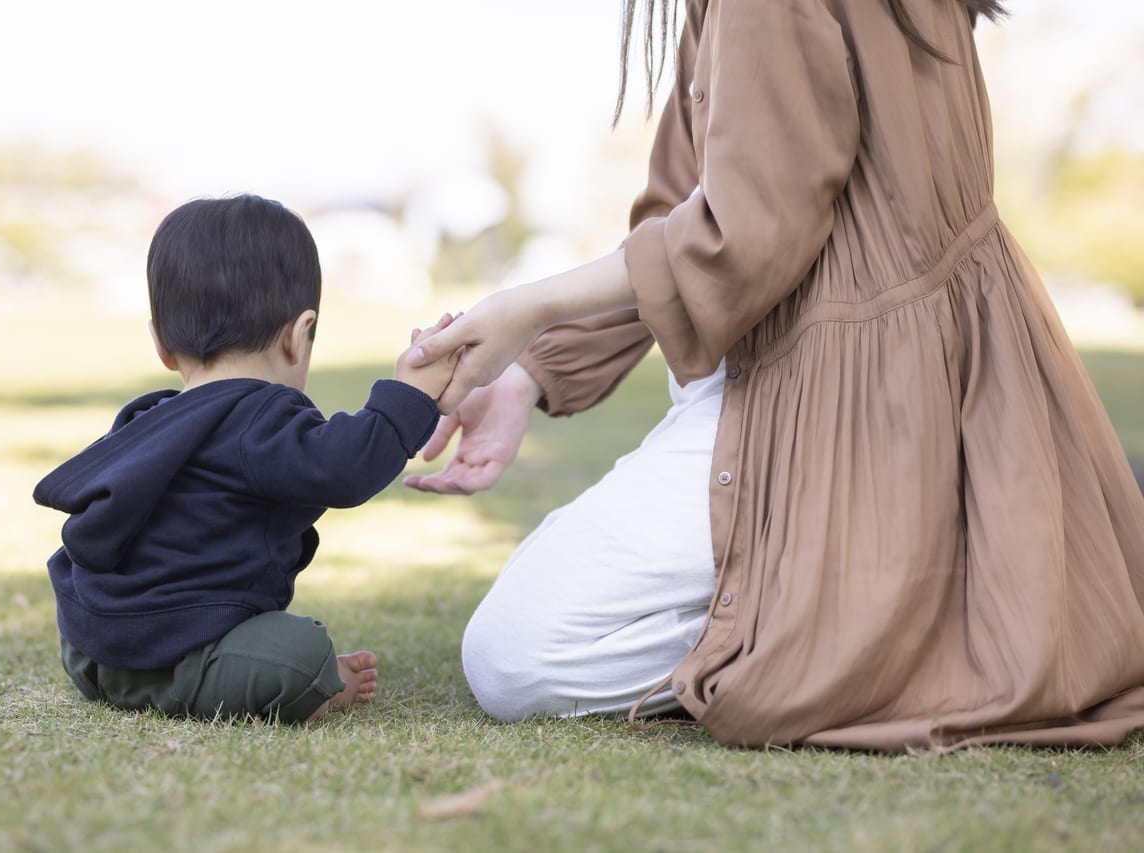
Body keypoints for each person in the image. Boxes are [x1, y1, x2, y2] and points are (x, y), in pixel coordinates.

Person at [405, 0, 1144, 750]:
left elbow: (745, 232)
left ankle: (860, 614)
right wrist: (531, 373)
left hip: (858, 393)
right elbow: (686, 203)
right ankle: (882, 589)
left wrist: (524, 309)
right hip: (931, 375)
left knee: (516, 653)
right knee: (530, 610)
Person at [34, 194, 457, 724]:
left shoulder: (149, 415)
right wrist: (410, 394)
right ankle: (203, 684)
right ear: (298, 336)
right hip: (188, 649)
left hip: (91, 651)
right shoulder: (259, 416)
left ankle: (127, 679)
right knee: (305, 652)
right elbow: (344, 467)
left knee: (277, 642)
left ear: (162, 345)